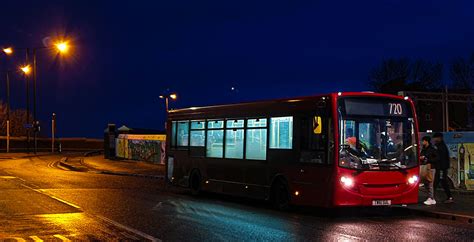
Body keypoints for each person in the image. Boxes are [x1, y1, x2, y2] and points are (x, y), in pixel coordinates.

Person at [432, 132, 454, 203]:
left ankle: (432, 197)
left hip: (441, 167)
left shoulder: (440, 146)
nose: (434, 139)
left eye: (435, 138)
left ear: (439, 138)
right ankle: (432, 197)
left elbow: (439, 157)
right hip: (441, 167)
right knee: (439, 182)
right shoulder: (440, 145)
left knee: (440, 182)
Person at [420, 136, 438, 205]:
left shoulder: (432, 149)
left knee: (430, 182)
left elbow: (437, 158)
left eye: (423, 141)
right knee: (426, 182)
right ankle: (431, 198)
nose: (422, 142)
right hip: (425, 167)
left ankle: (431, 198)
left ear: (426, 141)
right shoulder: (424, 149)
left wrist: (428, 159)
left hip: (431, 167)